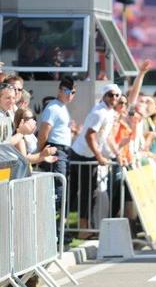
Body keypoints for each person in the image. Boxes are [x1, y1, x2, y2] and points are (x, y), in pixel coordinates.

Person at [70, 83, 121, 238]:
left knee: (89, 192)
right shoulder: (99, 112)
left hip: (89, 154)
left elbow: (107, 135)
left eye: (116, 95)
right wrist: (99, 156)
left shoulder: (109, 112)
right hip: (82, 154)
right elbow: (89, 135)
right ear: (104, 96)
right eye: (110, 95)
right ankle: (81, 228)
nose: (114, 98)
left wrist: (117, 153)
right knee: (81, 193)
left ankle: (84, 228)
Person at [37, 77, 77, 216]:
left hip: (63, 151)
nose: (70, 95)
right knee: (58, 187)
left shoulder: (62, 108)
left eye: (73, 92)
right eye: (67, 91)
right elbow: (43, 132)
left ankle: (58, 230)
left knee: (62, 187)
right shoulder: (53, 107)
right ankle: (52, 228)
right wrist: (40, 152)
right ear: (59, 90)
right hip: (55, 150)